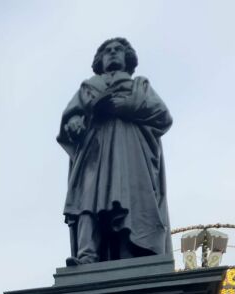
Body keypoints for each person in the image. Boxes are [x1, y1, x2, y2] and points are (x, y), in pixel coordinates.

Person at [58, 37, 172, 266]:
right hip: (94, 153)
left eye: (118, 50)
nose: (112, 53)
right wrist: (74, 122)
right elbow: (72, 115)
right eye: (107, 51)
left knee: (127, 198)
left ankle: (132, 252)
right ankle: (86, 254)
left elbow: (162, 116)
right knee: (87, 199)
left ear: (127, 58)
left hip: (129, 153)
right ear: (99, 60)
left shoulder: (139, 87)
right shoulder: (89, 88)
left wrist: (126, 107)